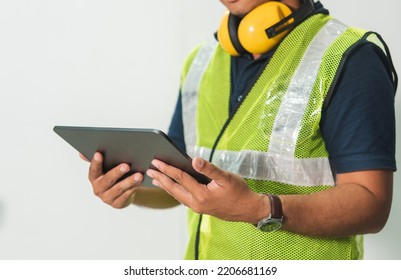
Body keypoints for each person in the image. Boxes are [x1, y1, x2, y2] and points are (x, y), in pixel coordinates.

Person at [86, 0, 397, 260]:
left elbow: (371, 203)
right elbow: (180, 183)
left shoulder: (349, 57)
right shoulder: (202, 60)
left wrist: (260, 209)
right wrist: (130, 189)